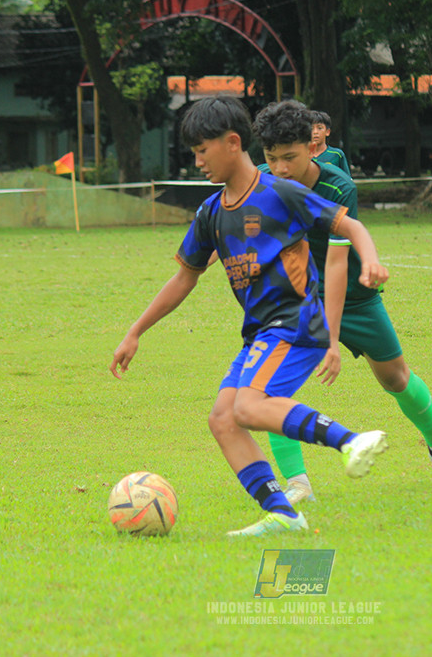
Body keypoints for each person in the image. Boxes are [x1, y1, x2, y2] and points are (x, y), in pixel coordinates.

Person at [110, 96, 391, 537]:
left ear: (233, 142)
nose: (197, 161)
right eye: (194, 153)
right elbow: (184, 278)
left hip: (298, 320)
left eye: (202, 150)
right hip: (261, 331)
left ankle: (351, 441)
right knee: (223, 419)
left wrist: (370, 260)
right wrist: (135, 331)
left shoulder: (279, 192)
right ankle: (284, 513)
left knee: (248, 404)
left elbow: (349, 225)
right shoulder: (211, 213)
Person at [253, 100, 432, 504]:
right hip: (295, 301)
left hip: (354, 298)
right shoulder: (261, 180)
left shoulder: (337, 185)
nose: (279, 168)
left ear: (312, 148)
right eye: (271, 158)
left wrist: (331, 341)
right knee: (270, 386)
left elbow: (336, 262)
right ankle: (298, 485)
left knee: (396, 379)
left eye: (289, 158)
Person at [309, 110, 351, 175]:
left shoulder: (337, 155)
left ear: (327, 132)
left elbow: (347, 181)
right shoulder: (303, 155)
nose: (315, 132)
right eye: (311, 128)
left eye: (319, 128)